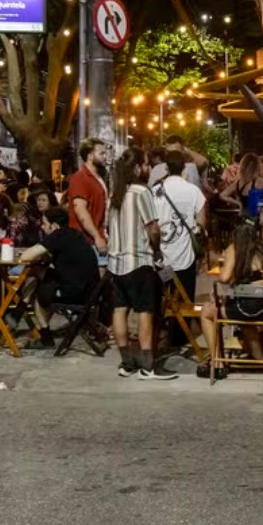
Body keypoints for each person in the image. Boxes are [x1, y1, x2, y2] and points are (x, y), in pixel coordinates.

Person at [107, 147, 176, 380]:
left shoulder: (115, 193)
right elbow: (153, 228)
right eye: (145, 164)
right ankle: (148, 366)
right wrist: (156, 250)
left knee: (120, 310)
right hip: (138, 261)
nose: (148, 168)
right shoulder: (140, 192)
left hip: (116, 262)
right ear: (136, 168)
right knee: (146, 311)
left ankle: (127, 362)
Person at [198, 223, 263, 380]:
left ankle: (217, 364)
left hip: (245, 308)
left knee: (207, 312)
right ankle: (258, 358)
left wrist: (226, 264)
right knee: (241, 317)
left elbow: (224, 278)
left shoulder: (234, 249)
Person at [18, 208, 99, 348]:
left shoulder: (58, 236)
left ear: (54, 226)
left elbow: (25, 257)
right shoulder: (74, 234)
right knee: (40, 274)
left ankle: (44, 336)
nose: (42, 227)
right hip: (90, 290)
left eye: (44, 224)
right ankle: (21, 306)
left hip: (76, 293)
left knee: (39, 292)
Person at [151, 149, 206, 304]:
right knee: (185, 300)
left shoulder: (155, 191)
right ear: (184, 168)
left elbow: (151, 225)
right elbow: (201, 224)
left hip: (162, 258)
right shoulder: (194, 191)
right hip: (186, 256)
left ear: (166, 168)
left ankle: (162, 325)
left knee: (163, 298)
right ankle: (182, 327)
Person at [68, 138, 109, 264]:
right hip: (86, 242)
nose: (105, 157)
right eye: (101, 153)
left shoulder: (99, 177)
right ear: (90, 156)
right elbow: (80, 210)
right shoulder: (80, 178)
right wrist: (97, 236)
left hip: (97, 239)